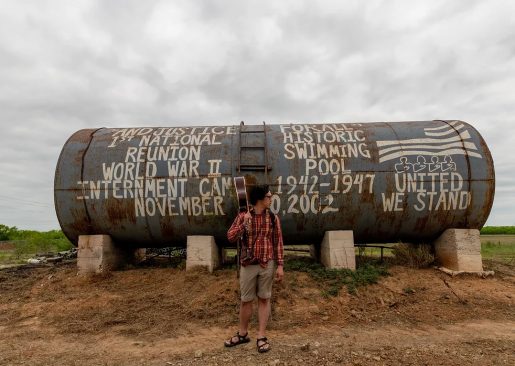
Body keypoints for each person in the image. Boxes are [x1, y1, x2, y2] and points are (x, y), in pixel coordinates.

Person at [224, 184, 284, 353]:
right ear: (259, 199)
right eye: (268, 197)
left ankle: (261, 336)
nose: (271, 199)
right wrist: (244, 224)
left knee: (264, 299)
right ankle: (243, 334)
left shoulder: (273, 218)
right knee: (246, 300)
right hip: (248, 264)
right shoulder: (243, 215)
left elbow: (277, 242)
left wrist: (280, 265)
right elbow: (230, 236)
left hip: (267, 264)